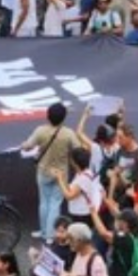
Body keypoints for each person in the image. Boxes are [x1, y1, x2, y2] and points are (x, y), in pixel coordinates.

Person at [19, 102, 92, 243]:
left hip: (43, 171)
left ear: (48, 116)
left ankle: (43, 231)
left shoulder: (40, 130)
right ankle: (51, 235)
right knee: (55, 203)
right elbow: (78, 149)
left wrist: (24, 144)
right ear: (63, 118)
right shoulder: (68, 133)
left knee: (44, 202)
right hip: (61, 173)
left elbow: (28, 146)